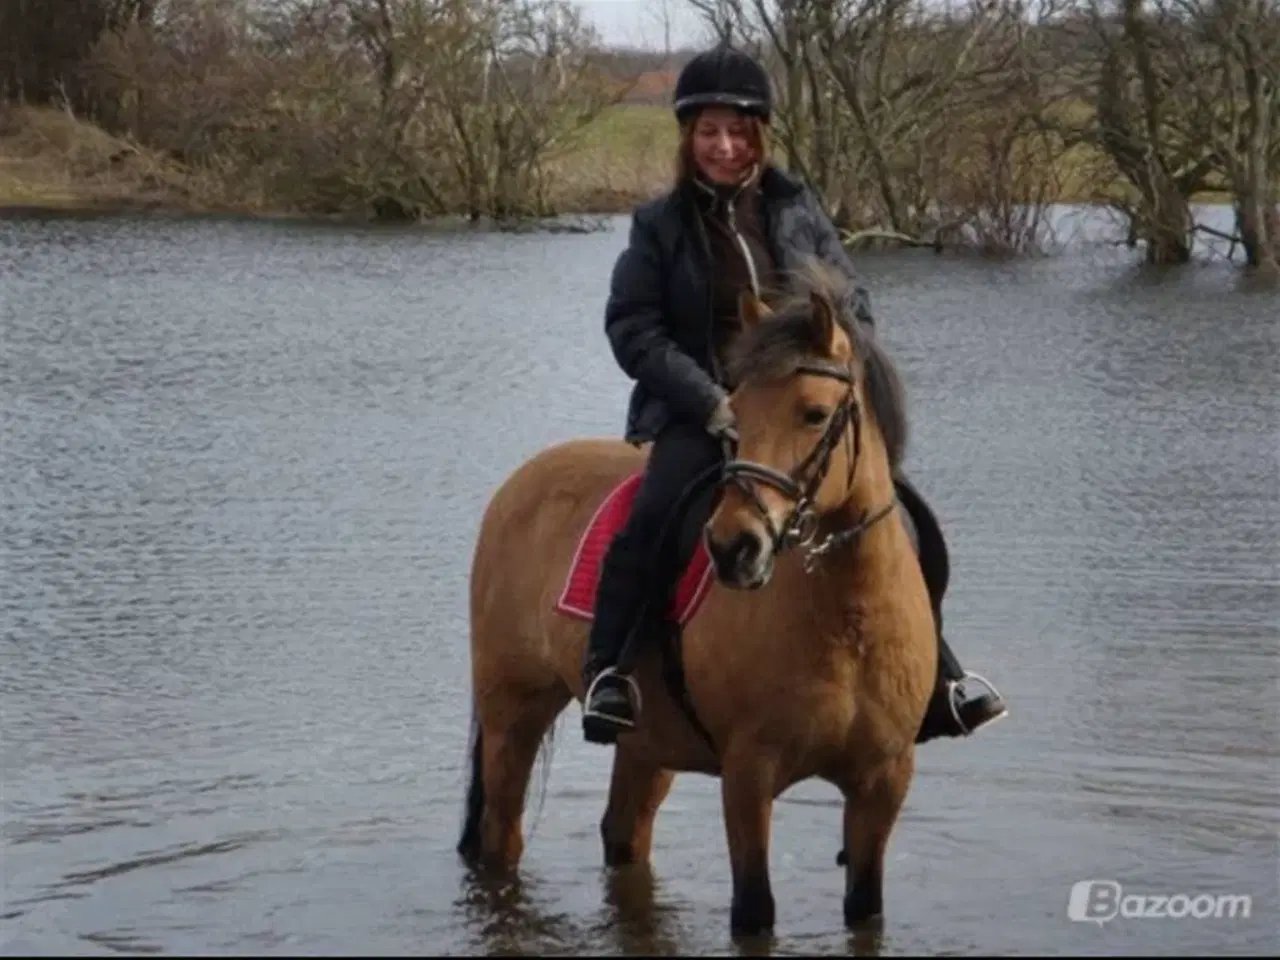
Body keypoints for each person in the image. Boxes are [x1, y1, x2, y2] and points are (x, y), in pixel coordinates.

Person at [580, 43, 1008, 747]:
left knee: (903, 518)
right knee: (656, 514)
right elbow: (633, 327)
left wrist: (837, 348)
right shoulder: (659, 226)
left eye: (738, 131)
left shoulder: (794, 207)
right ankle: (611, 672)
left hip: (797, 409)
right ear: (690, 138)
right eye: (710, 131)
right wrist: (707, 397)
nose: (724, 146)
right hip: (704, 408)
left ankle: (939, 678)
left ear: (759, 136)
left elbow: (853, 299)